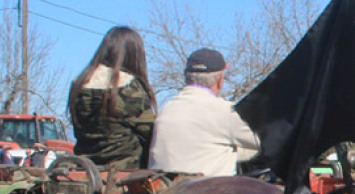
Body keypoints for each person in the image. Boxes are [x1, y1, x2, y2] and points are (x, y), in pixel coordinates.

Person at [149, 48, 261, 177]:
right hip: (208, 193)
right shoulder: (224, 112)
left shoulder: (167, 108)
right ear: (220, 79)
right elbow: (268, 139)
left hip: (165, 191)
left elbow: (200, 148)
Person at [68, 26, 156, 168]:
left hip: (85, 171)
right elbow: (151, 136)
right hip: (127, 175)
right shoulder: (130, 87)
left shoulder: (78, 85)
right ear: (134, 55)